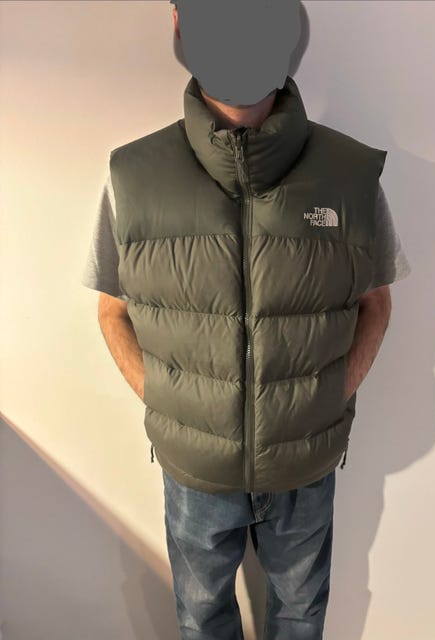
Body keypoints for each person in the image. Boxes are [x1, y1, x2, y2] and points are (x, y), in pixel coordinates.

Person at [81, 2, 411, 638]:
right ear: (180, 23)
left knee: (301, 616)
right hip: (194, 474)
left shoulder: (349, 175)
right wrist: (173, 405)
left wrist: (328, 396)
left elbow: (377, 302)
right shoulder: (133, 176)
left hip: (306, 466)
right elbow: (111, 309)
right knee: (202, 618)